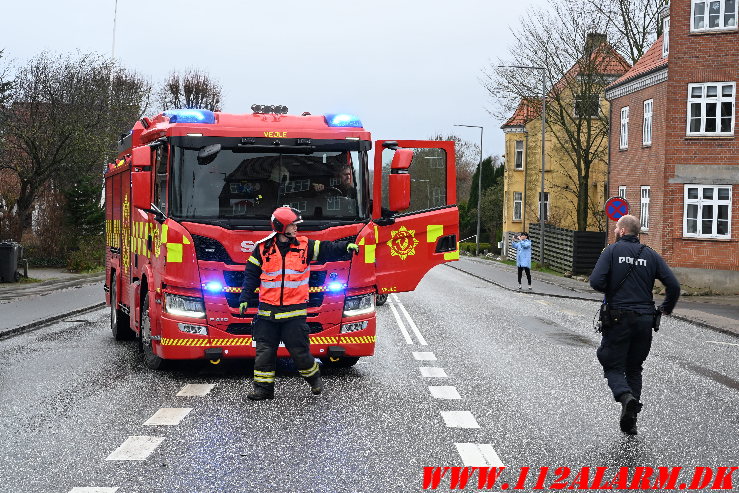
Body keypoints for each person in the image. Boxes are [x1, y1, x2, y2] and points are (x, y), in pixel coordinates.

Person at [238, 206, 359, 401]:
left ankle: (314, 378)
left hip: (294, 313)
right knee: (264, 352)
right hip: (267, 312)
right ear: (281, 227)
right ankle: (263, 389)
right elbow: (251, 275)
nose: (296, 228)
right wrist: (244, 298)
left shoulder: (305, 246)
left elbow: (327, 249)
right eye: (293, 225)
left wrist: (345, 246)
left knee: (300, 353)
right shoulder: (263, 248)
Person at [589, 214, 680, 435]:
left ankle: (625, 396)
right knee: (634, 368)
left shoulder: (611, 251)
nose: (614, 231)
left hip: (619, 317)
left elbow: (595, 281)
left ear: (621, 231)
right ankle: (630, 419)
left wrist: (613, 290)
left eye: (616, 228)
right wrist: (665, 308)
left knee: (611, 362)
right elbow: (674, 285)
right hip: (645, 319)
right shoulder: (650, 255)